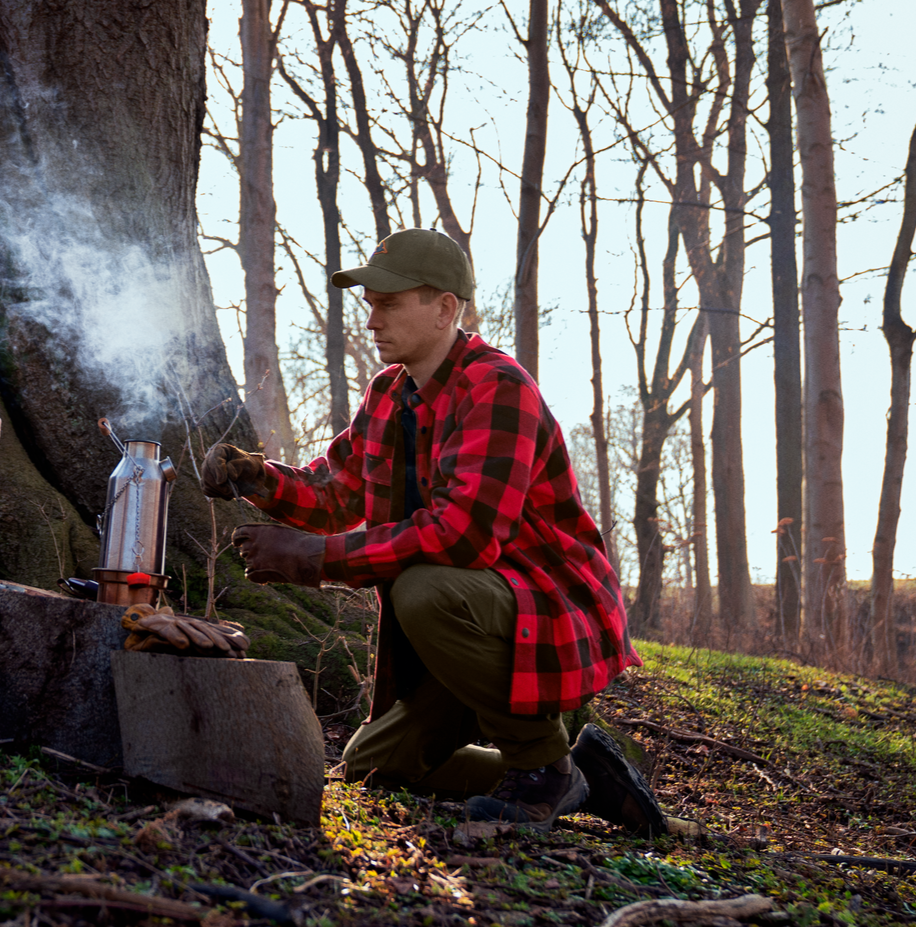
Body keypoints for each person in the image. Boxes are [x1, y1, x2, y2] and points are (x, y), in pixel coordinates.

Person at [202, 228, 665, 835]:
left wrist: (312, 559)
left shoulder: (498, 387)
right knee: (371, 767)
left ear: (445, 308)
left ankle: (545, 769)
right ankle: (584, 778)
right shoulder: (390, 394)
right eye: (371, 304)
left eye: (390, 303)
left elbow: (462, 536)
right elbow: (338, 493)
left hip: (544, 614)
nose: (372, 320)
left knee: (421, 589)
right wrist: (259, 479)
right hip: (473, 622)